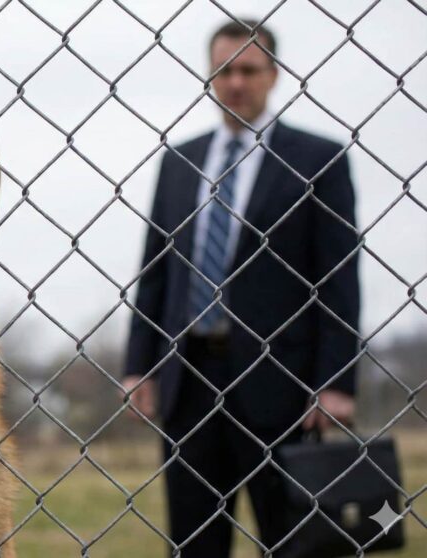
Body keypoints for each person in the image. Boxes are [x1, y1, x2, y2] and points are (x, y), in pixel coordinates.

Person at [122, 19, 360, 557]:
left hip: (283, 384)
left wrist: (337, 379)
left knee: (294, 540)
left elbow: (339, 277)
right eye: (224, 71)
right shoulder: (180, 160)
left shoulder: (317, 159)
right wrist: (139, 364)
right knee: (195, 540)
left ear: (273, 76)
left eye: (249, 70)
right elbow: (157, 269)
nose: (235, 83)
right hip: (189, 381)